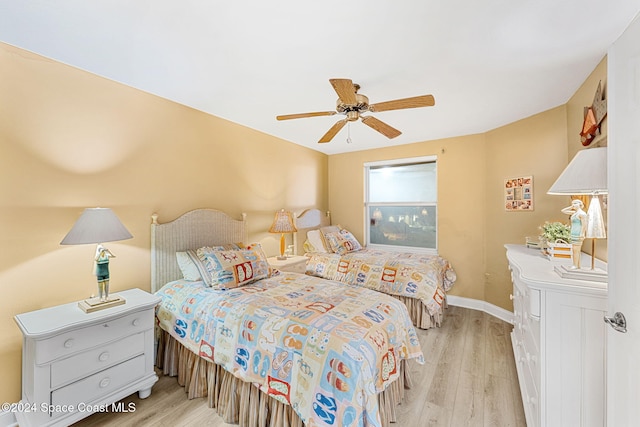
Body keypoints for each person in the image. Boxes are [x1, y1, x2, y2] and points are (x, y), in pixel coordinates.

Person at [561, 199, 587, 269]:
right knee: (574, 250)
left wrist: (582, 234)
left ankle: (575, 265)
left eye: (575, 203)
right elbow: (563, 211)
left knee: (576, 250)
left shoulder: (582, 214)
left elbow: (584, 225)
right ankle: (577, 265)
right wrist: (571, 206)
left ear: (580, 204)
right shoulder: (574, 213)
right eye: (572, 203)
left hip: (578, 233)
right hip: (573, 232)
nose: (573, 205)